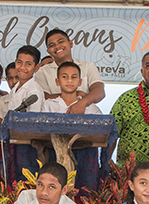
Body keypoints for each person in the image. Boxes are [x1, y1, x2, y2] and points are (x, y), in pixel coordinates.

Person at [41, 61, 103, 190]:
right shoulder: (48, 105)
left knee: (84, 192)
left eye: (74, 77)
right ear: (57, 81)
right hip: (54, 155)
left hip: (85, 157)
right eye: (65, 77)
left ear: (80, 82)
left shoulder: (90, 107)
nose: (69, 80)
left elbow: (101, 129)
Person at [111, 49, 149, 172]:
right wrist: (106, 164)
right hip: (129, 173)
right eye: (148, 66)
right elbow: (111, 134)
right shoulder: (126, 99)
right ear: (142, 72)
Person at [0, 45, 46, 181]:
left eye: (28, 64)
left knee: (25, 179)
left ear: (37, 67)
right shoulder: (16, 88)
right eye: (19, 62)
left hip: (27, 145)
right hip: (15, 142)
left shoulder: (34, 90)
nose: (22, 67)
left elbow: (32, 122)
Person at [35, 28, 105, 113]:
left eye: (61, 41)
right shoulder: (42, 72)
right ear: (48, 52)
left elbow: (99, 92)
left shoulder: (87, 66)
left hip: (84, 115)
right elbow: (41, 97)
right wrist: (75, 95)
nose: (57, 46)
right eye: (52, 45)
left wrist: (82, 103)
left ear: (71, 44)